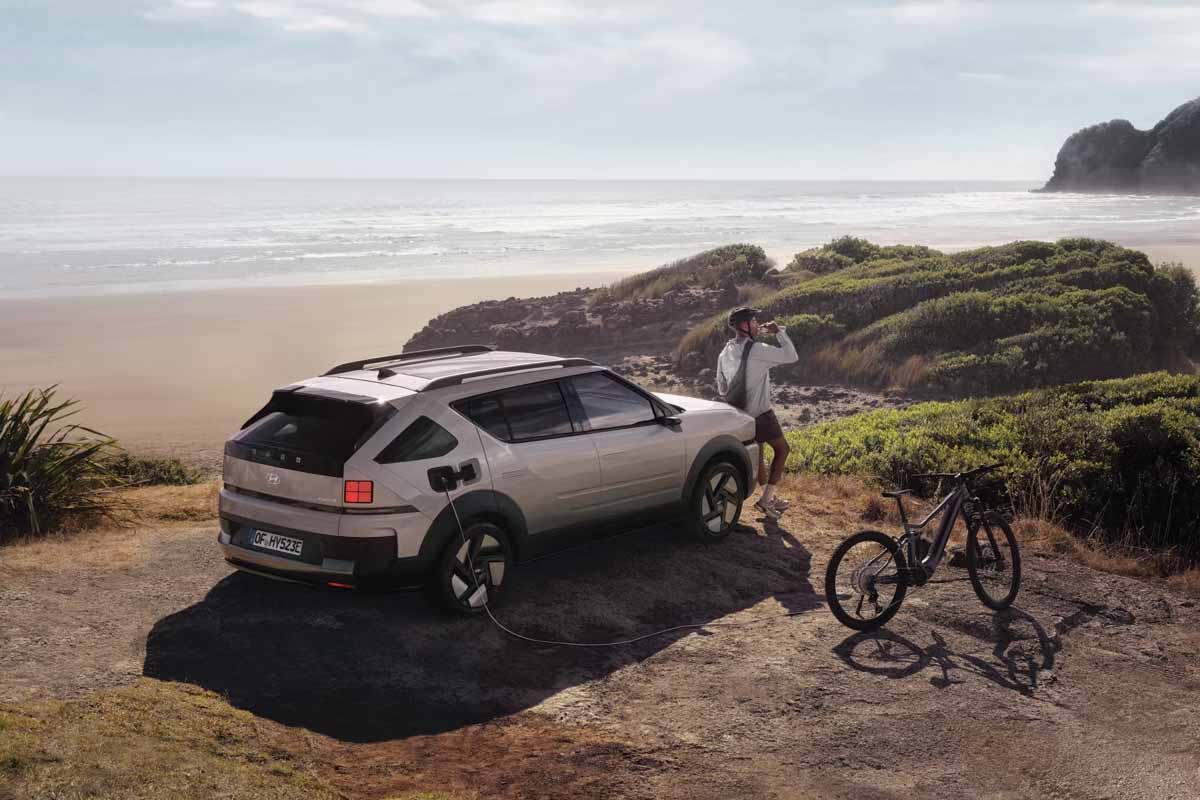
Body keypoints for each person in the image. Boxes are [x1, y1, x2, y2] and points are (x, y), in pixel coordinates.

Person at [716, 306, 798, 520]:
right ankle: (766, 499)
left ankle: (767, 499)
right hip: (761, 412)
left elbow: (722, 388)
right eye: (753, 321)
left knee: (759, 457)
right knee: (782, 450)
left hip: (740, 415)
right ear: (744, 326)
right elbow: (791, 356)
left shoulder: (725, 352)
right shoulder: (757, 349)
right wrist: (779, 332)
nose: (756, 324)